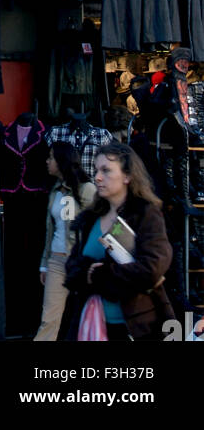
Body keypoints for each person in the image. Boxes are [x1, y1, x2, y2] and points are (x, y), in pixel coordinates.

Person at [61, 141, 174, 342]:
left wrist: (101, 275)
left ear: (127, 176)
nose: (97, 177)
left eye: (106, 170)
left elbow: (153, 267)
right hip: (90, 325)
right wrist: (85, 272)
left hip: (137, 328)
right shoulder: (90, 218)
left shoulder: (146, 214)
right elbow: (72, 265)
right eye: (96, 170)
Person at [34, 142, 95, 341]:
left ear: (62, 161)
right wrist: (44, 263)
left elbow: (97, 226)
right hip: (57, 261)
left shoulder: (87, 189)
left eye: (51, 157)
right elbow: (50, 230)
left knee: (85, 318)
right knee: (49, 319)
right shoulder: (55, 191)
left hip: (79, 262)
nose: (47, 161)